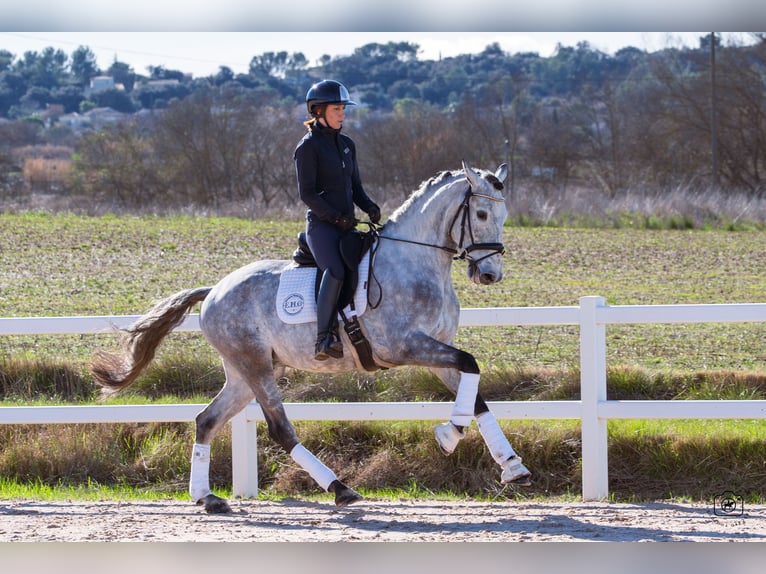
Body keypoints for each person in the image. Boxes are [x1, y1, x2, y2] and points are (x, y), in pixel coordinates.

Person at [294, 79, 381, 361]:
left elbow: (354, 187)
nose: (342, 114)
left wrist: (369, 207)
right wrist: (333, 217)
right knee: (336, 271)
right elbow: (307, 193)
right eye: (336, 109)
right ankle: (324, 338)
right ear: (318, 111)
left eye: (343, 108)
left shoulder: (346, 145)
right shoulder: (308, 148)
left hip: (346, 224)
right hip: (322, 227)